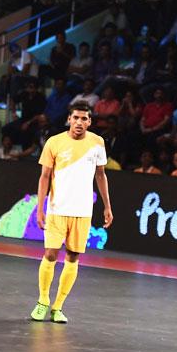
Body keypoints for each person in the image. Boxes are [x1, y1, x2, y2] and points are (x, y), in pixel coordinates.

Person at [30, 102, 113, 324]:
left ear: (90, 122)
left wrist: (107, 205)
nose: (79, 122)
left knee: (73, 256)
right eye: (75, 118)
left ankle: (58, 307)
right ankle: (43, 301)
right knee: (50, 254)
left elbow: (101, 175)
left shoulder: (97, 143)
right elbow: (44, 177)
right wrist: (40, 209)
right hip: (57, 209)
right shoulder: (54, 142)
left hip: (83, 212)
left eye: (84, 119)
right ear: (69, 119)